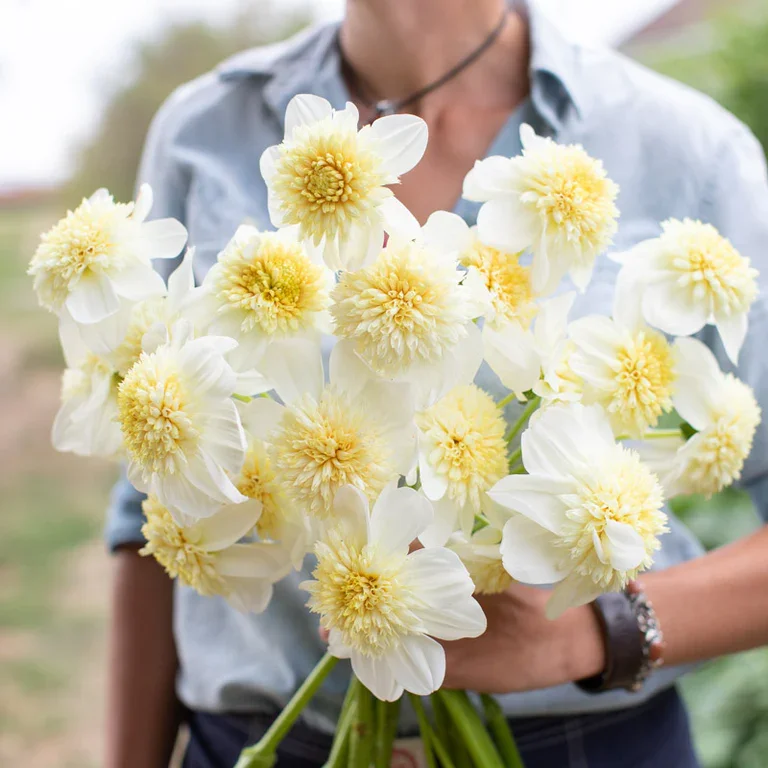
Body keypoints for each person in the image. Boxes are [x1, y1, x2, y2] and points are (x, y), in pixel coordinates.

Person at [105, 1, 768, 766]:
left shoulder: (690, 149)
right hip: (264, 742)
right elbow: (150, 499)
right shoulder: (203, 128)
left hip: (585, 744)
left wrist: (598, 630)